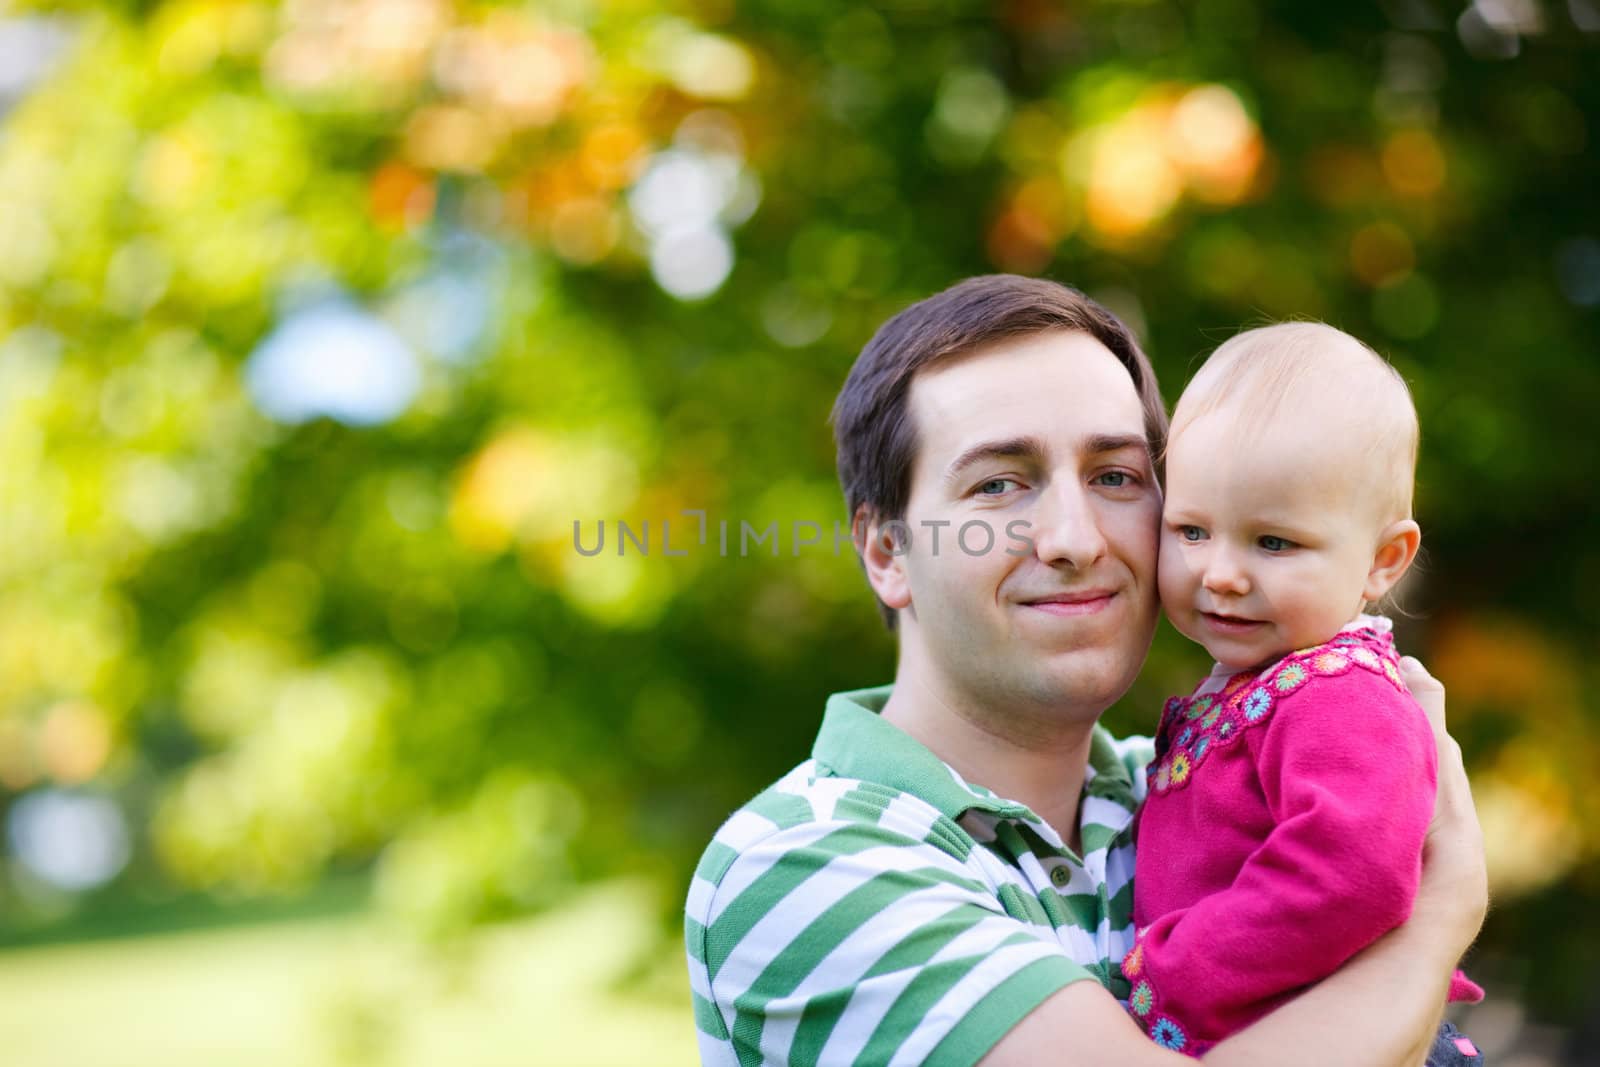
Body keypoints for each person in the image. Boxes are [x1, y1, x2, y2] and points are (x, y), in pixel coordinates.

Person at [684, 276, 1486, 1066]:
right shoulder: (807, 861)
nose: (1075, 538)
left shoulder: (1195, 788)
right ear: (888, 551)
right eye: (998, 484)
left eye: (1115, 477)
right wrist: (1441, 917)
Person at [1126, 323, 1484, 1064]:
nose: (1219, 572)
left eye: (1273, 542)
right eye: (1191, 530)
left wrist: (1178, 967)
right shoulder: (1263, 682)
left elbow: (1348, 875)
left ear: (1384, 560)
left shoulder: (1342, 697)